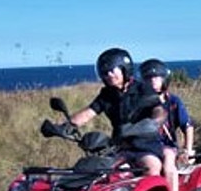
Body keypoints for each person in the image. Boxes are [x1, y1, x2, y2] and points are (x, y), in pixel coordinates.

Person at [65, 48, 165, 178]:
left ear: (125, 69)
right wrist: (65, 126)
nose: (109, 75)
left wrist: (153, 122)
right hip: (119, 148)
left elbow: (158, 109)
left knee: (151, 167)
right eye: (105, 73)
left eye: (112, 70)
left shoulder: (143, 89)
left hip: (145, 146)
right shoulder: (107, 94)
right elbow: (89, 112)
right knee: (100, 172)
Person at [140, 58, 194, 191]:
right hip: (144, 146)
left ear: (165, 79)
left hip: (166, 145)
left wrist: (187, 149)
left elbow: (187, 126)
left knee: (168, 160)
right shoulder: (140, 103)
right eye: (148, 78)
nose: (153, 81)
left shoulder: (173, 102)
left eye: (157, 77)